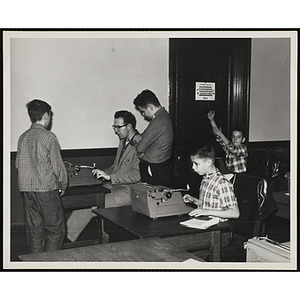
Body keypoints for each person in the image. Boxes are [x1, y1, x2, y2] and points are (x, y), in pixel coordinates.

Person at [66, 110, 141, 242]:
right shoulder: (123, 142)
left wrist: (110, 177)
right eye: (114, 127)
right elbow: (116, 167)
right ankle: (67, 237)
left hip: (129, 191)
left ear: (129, 126)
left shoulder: (139, 144)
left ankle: (66, 240)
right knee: (86, 200)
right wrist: (104, 172)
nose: (115, 131)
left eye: (118, 127)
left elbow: (137, 175)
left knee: (91, 205)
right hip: (115, 186)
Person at [16, 99, 68, 253]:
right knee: (56, 230)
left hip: (27, 191)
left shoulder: (22, 137)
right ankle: (49, 265)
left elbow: (18, 165)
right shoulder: (49, 137)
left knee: (35, 231)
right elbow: (58, 167)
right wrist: (62, 185)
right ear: (46, 116)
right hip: (46, 190)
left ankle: (36, 265)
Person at [183, 144, 240, 220]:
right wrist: (194, 200)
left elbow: (235, 213)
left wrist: (207, 212)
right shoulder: (205, 179)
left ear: (209, 163)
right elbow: (206, 205)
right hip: (205, 222)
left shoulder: (221, 183)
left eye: (196, 164)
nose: (193, 167)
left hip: (218, 227)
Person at [133, 89, 174, 186]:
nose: (143, 115)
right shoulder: (164, 116)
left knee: (150, 198)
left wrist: (138, 142)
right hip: (160, 166)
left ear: (150, 107)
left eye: (143, 111)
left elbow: (140, 148)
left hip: (154, 168)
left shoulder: (158, 121)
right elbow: (144, 136)